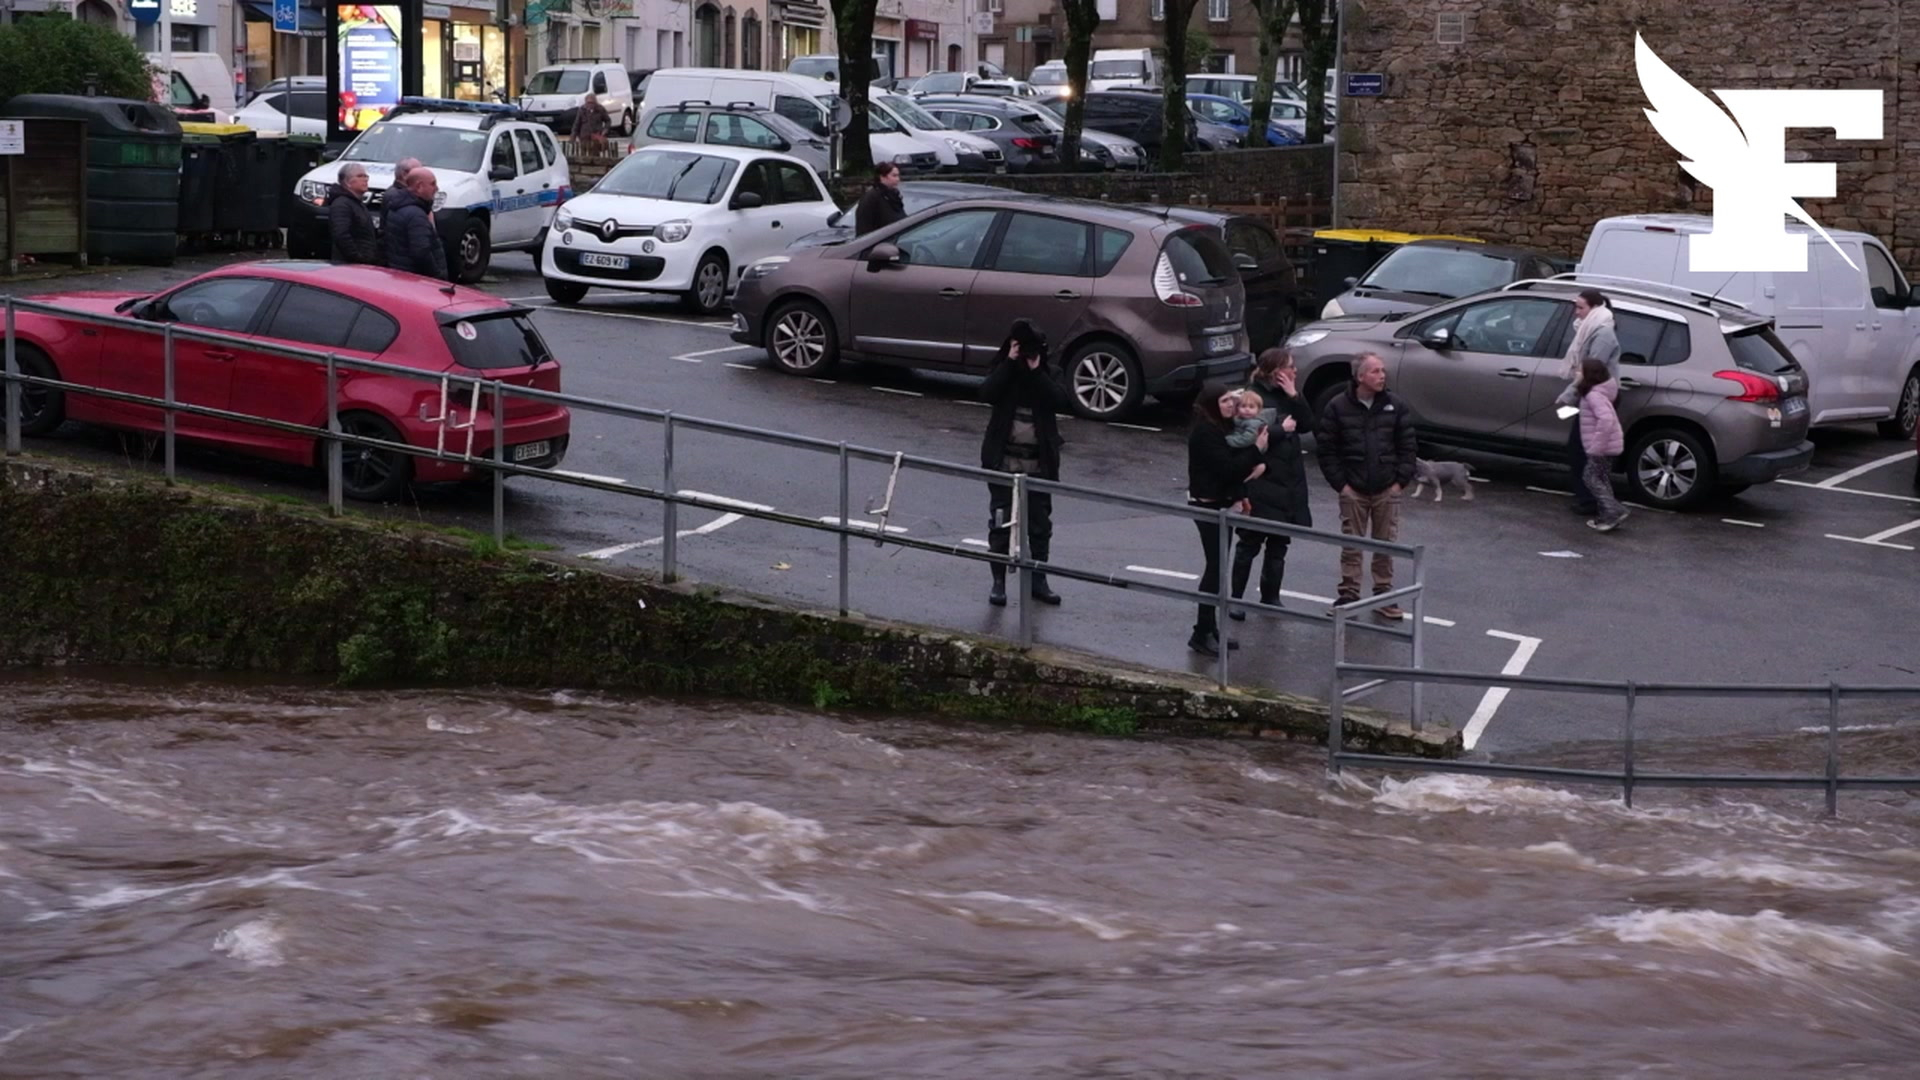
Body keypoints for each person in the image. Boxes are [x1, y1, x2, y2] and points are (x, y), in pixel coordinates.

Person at [1316, 352, 1417, 620]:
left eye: (1383, 370)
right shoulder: (1337, 407)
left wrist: (1399, 483)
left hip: (1386, 489)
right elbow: (1327, 450)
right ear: (1359, 376)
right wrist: (1342, 485)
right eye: (1375, 371)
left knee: (1386, 544)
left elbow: (1408, 447)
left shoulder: (1395, 406)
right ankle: (1348, 595)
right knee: (1351, 545)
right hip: (1354, 490)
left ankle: (1384, 594)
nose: (1382, 375)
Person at [979, 318, 1069, 608]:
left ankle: (1038, 581)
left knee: (1040, 526)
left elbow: (1060, 401)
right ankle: (998, 582)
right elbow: (986, 393)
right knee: (1001, 524)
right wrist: (1009, 361)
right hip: (1002, 461)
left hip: (1039, 465)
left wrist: (1035, 371)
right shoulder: (1004, 371)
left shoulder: (1050, 373)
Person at [1228, 348, 1317, 620]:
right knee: (1250, 543)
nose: (1295, 371)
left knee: (1279, 544)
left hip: (1288, 482)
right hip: (1263, 482)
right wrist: (1281, 430)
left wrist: (1294, 395)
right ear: (1277, 371)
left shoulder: (1289, 397)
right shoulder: (1253, 396)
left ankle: (1270, 596)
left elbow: (1308, 424)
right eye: (1290, 367)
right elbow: (1247, 432)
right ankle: (1236, 599)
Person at [1187, 387, 1268, 656]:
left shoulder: (1220, 427)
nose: (1231, 405)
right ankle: (1201, 632)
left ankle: (1210, 629)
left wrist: (1241, 493)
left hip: (1224, 503)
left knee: (1219, 568)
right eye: (1224, 400)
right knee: (1215, 567)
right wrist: (1256, 451)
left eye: (1231, 400)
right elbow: (1228, 468)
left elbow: (1232, 471)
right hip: (1208, 505)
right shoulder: (1205, 432)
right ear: (1211, 403)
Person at [1556, 289, 1621, 516]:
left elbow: (1590, 371)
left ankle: (1592, 502)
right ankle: (1591, 500)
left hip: (1594, 396)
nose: (1576, 313)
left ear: (1594, 308)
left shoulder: (1602, 335)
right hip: (1589, 395)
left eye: (1580, 307)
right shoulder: (1590, 329)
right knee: (1579, 449)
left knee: (1581, 451)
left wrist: (1568, 396)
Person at [1577, 355, 1630, 532]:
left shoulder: (1593, 395)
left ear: (1588, 375)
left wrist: (1596, 447)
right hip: (1609, 447)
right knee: (1602, 479)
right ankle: (1607, 515)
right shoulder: (1597, 393)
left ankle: (1614, 510)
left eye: (1579, 371)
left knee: (1590, 478)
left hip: (1602, 448)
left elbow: (1605, 420)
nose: (1576, 373)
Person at [384, 168, 448, 281]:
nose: (436, 188)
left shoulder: (396, 207)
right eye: (432, 184)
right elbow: (421, 252)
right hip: (418, 280)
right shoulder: (416, 215)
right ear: (419, 187)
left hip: (401, 274)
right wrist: (437, 276)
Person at [326, 163, 380, 265]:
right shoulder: (341, 205)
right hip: (349, 265)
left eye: (366, 176)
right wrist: (357, 257)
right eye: (360, 176)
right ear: (347, 182)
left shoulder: (358, 204)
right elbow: (341, 235)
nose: (365, 179)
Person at [854, 162, 906, 236]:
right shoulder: (872, 198)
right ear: (882, 177)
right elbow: (864, 227)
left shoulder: (894, 196)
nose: (898, 179)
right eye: (894, 176)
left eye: (898, 176)